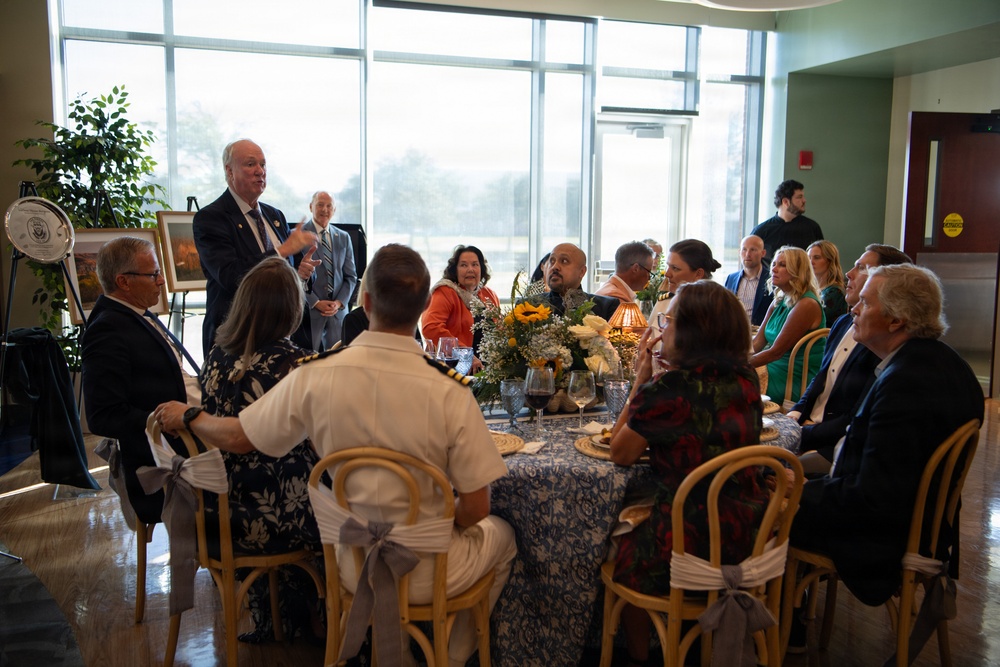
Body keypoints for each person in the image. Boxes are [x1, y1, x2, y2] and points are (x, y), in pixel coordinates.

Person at [154, 243, 517, 667]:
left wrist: (193, 416)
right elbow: (475, 507)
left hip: (350, 563)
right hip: (429, 570)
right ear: (423, 309)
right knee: (504, 536)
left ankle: (398, 650)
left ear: (365, 302)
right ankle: (449, 657)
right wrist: (427, 522)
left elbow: (238, 437)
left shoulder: (314, 375)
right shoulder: (452, 391)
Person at [789, 264, 983, 609]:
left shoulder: (906, 383)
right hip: (914, 520)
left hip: (884, 536)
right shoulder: (943, 362)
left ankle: (779, 632)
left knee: (758, 511)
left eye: (865, 302)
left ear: (896, 321)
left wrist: (798, 489)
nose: (854, 309)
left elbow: (873, 494)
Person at [608, 280, 768, 667]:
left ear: (693, 332)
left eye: (669, 321)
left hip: (685, 546)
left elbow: (621, 452)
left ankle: (641, 657)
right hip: (748, 536)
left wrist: (640, 383)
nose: (661, 330)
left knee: (613, 545)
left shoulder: (671, 389)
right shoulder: (746, 379)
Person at [197, 256, 323, 643]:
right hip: (273, 515)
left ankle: (279, 619)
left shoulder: (217, 355)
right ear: (292, 308)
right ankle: (328, 623)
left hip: (218, 508)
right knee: (347, 495)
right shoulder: (295, 364)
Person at [81, 236, 197, 527]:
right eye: (154, 274)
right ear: (124, 282)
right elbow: (103, 416)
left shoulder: (133, 313)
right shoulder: (107, 328)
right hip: (168, 452)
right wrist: (174, 420)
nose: (161, 282)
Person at [788, 244, 912, 470]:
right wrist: (796, 413)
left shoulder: (880, 341)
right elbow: (820, 378)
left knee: (761, 463)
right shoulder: (843, 323)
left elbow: (856, 419)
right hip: (811, 427)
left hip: (835, 444)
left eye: (862, 267)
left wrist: (802, 434)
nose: (849, 273)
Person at [193, 138, 319, 356]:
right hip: (238, 340)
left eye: (263, 164)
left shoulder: (274, 215)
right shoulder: (211, 218)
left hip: (284, 339)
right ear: (229, 171)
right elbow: (229, 275)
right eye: (251, 164)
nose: (260, 171)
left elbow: (293, 269)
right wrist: (281, 252)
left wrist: (304, 273)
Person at [750, 246, 826, 405]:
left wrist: (736, 366)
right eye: (774, 264)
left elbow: (776, 352)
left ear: (798, 271)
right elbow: (758, 342)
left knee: (732, 381)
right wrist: (732, 358)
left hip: (792, 375)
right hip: (773, 365)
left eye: (782, 265)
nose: (774, 269)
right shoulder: (779, 299)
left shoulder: (806, 304)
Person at [421, 245, 500, 369]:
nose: (470, 269)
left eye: (475, 264)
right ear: (455, 270)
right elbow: (431, 328)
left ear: (481, 269)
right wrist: (465, 354)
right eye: (463, 265)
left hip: (489, 369)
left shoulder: (489, 294)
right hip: (456, 367)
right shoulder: (445, 292)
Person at [299, 191, 357, 352]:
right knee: (307, 361)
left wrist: (338, 303)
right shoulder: (298, 236)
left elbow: (351, 276)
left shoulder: (344, 237)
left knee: (338, 361)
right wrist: (316, 302)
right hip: (309, 313)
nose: (325, 209)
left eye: (329, 206)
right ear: (311, 207)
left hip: (337, 314)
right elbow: (292, 276)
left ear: (334, 210)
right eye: (320, 204)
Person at [648, 239, 722, 329]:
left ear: (698, 274)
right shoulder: (664, 302)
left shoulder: (722, 307)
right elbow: (650, 338)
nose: (667, 274)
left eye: (675, 268)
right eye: (668, 266)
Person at [539, 243, 620, 320]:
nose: (555, 266)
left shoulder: (605, 307)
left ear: (582, 271)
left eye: (564, 261)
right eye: (552, 261)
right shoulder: (531, 305)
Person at [750, 179, 824, 261]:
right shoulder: (761, 231)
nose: (804, 200)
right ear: (785, 201)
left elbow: (821, 258)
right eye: (799, 197)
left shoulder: (812, 227)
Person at [724, 234, 772, 326]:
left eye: (753, 250)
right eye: (744, 249)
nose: (747, 254)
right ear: (739, 252)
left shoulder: (771, 279)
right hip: (733, 330)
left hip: (760, 332)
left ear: (763, 253)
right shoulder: (731, 278)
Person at [808, 240, 848, 324]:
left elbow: (813, 320)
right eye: (808, 258)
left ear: (830, 261)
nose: (811, 262)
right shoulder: (810, 289)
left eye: (817, 257)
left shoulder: (835, 292)